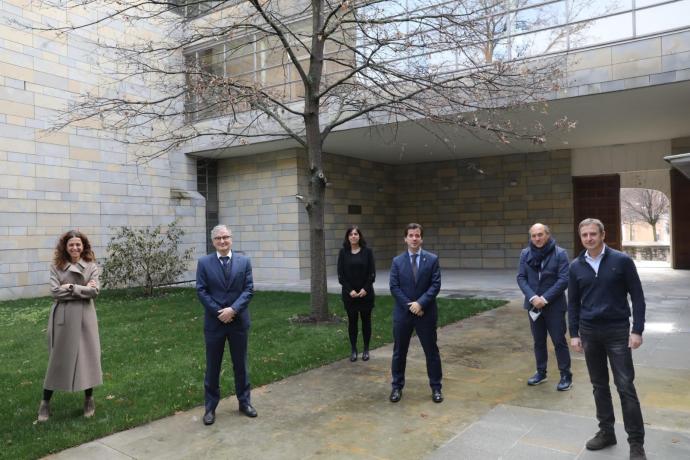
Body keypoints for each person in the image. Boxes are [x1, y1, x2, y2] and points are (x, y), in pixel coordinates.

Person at [569, 218, 647, 460]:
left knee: (625, 387)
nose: (589, 238)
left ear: (603, 235)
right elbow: (572, 303)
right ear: (581, 238)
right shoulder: (576, 266)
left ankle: (636, 443)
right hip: (589, 332)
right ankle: (606, 432)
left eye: (593, 234)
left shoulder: (621, 261)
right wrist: (574, 333)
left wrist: (637, 330)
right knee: (599, 386)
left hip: (617, 331)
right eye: (585, 235)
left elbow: (638, 296)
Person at [38, 230, 102, 422]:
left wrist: (72, 287)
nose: (75, 248)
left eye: (78, 244)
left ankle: (89, 399)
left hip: (85, 318)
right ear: (65, 247)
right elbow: (55, 292)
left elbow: (95, 291)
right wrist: (83, 289)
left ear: (83, 246)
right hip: (63, 318)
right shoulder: (56, 267)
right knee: (57, 360)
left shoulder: (91, 266)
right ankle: (45, 403)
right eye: (71, 245)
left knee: (87, 358)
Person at [196, 224, 256, 426]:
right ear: (213, 242)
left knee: (241, 365)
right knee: (213, 367)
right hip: (215, 324)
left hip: (238, 322)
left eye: (226, 237)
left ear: (231, 239)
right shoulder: (204, 263)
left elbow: (248, 289)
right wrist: (219, 312)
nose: (222, 241)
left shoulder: (244, 261)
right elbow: (201, 291)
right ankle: (210, 408)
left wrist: (233, 310)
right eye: (218, 238)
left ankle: (244, 402)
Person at [389, 223, 443, 403]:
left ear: (422, 238)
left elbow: (435, 285)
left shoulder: (432, 259)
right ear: (405, 238)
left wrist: (420, 304)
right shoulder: (397, 261)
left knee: (431, 352)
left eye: (417, 235)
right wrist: (410, 306)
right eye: (410, 235)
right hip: (403, 315)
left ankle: (436, 388)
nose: (414, 238)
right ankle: (397, 387)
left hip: (425, 314)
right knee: (399, 353)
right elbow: (394, 287)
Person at [516, 223, 572, 391]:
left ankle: (565, 375)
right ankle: (541, 372)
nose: (537, 238)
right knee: (538, 341)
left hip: (554, 306)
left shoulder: (560, 253)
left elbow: (563, 279)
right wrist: (533, 297)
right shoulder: (525, 254)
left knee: (559, 341)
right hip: (533, 305)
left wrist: (545, 298)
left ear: (548, 235)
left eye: (540, 234)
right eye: (533, 235)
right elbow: (521, 277)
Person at [337, 226, 376, 362]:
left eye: (356, 234)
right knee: (352, 322)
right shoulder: (343, 253)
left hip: (366, 295)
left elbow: (372, 274)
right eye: (351, 234)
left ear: (360, 236)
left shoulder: (368, 252)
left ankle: (366, 349)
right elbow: (341, 276)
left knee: (366, 322)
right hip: (350, 296)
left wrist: (365, 289)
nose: (353, 236)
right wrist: (350, 290)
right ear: (348, 237)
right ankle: (353, 350)